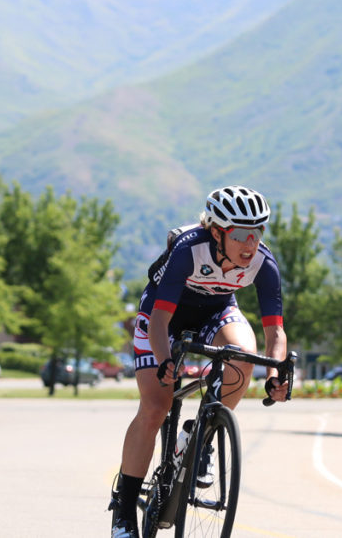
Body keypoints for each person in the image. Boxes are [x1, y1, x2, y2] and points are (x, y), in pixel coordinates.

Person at [109, 185, 290, 538]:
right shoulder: (188, 250)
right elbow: (159, 322)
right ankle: (124, 510)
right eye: (240, 235)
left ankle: (200, 435)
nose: (250, 243)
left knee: (242, 356)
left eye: (257, 232)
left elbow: (276, 334)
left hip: (216, 311)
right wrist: (166, 362)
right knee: (156, 406)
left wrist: (274, 374)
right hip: (163, 316)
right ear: (216, 232)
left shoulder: (263, 262)